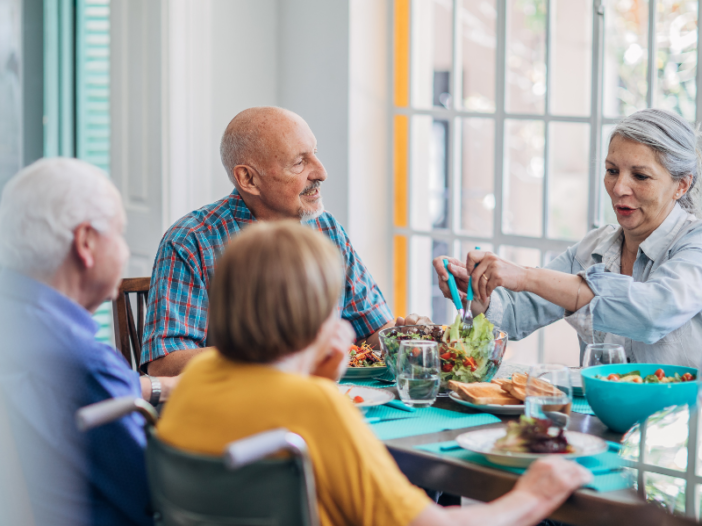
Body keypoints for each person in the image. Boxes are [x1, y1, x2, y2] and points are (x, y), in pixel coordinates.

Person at [157, 221, 591, 526]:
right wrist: (530, 497)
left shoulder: (196, 380)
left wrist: (319, 372)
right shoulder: (317, 407)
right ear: (318, 317)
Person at [142, 106, 429, 377]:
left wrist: (406, 339)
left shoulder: (327, 229)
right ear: (248, 179)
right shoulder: (191, 241)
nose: (321, 172)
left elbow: (372, 331)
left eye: (315, 154)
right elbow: (165, 364)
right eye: (299, 162)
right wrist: (283, 355)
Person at [435, 108, 702, 366]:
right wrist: (478, 295)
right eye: (612, 171)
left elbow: (652, 312)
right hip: (596, 410)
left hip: (678, 413)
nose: (619, 187)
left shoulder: (695, 245)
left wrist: (526, 276)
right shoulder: (593, 248)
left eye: (640, 176)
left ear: (681, 184)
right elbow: (516, 314)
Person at [0, 158, 179, 526]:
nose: (127, 251)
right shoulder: (84, 363)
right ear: (85, 242)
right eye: (120, 233)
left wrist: (157, 387)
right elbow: (165, 502)